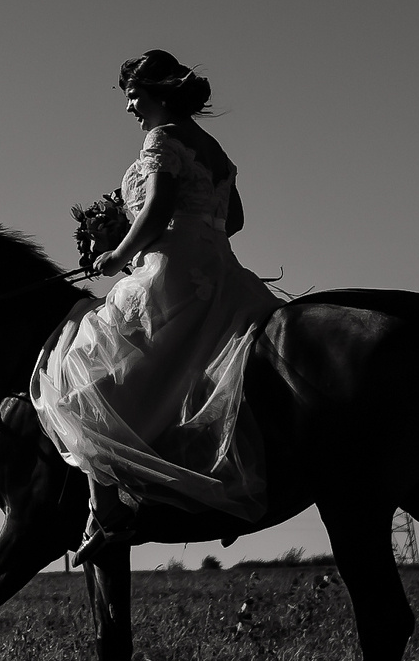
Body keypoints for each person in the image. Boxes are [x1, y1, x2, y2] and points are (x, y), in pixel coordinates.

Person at [33, 51, 282, 562]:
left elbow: (159, 207)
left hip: (172, 277)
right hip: (222, 273)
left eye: (133, 94)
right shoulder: (214, 149)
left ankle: (109, 515)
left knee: (83, 382)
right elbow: (232, 220)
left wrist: (120, 253)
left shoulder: (162, 138)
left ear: (159, 93)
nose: (129, 106)